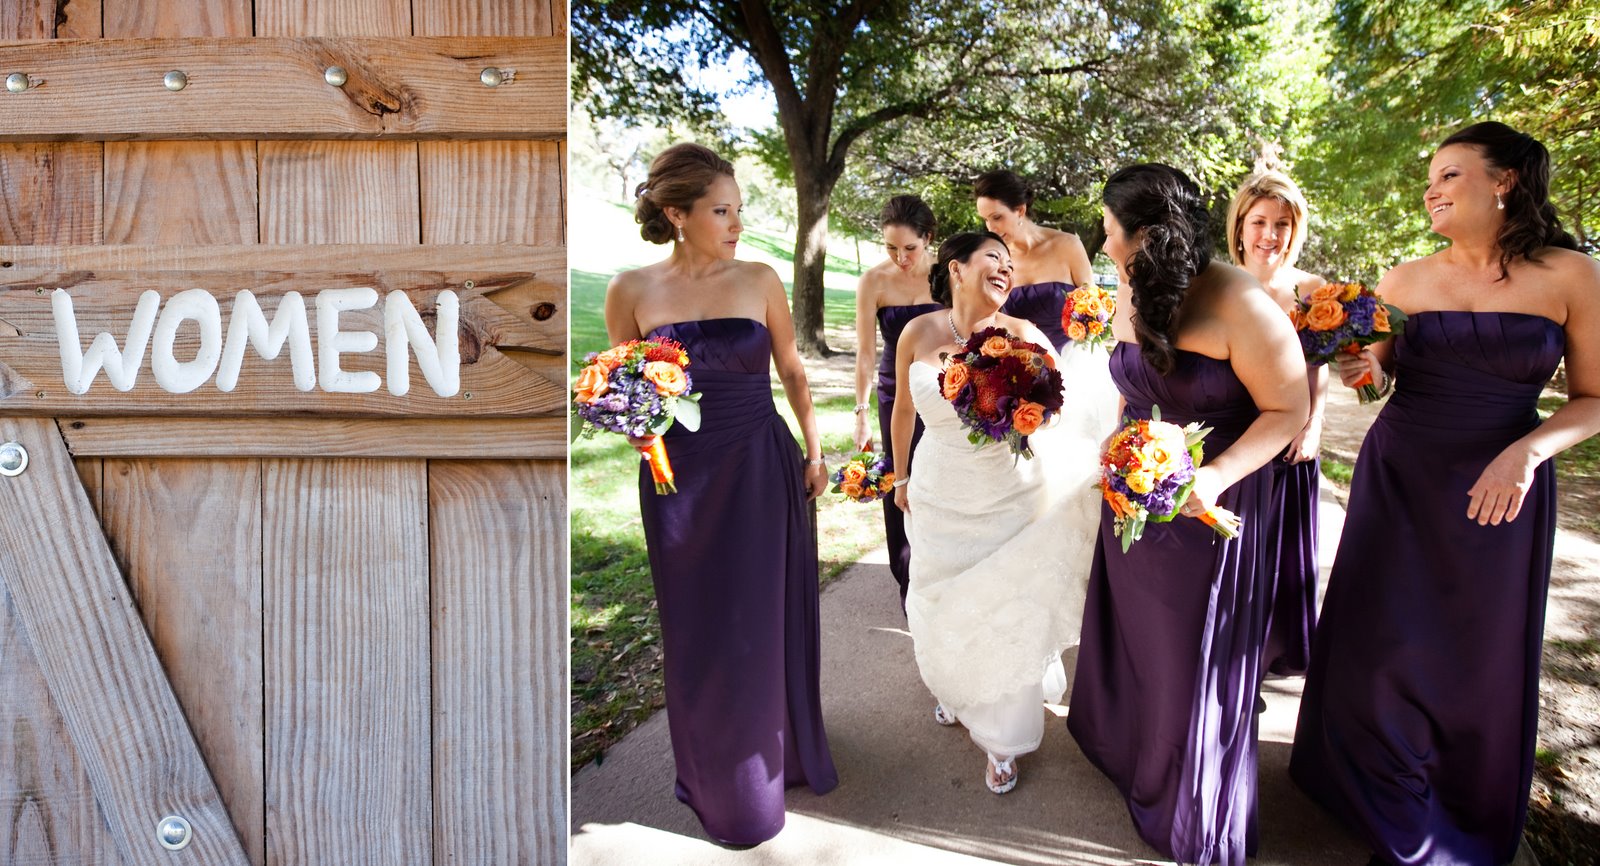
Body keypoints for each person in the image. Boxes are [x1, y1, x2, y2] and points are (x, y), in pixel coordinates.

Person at [1290, 122, 1600, 866]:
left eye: (1451, 174)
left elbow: (1593, 397)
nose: (1432, 189)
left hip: (1502, 488)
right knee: (1383, 633)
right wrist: (1361, 366)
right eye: (1430, 177)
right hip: (1401, 475)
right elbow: (1377, 376)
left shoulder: (1571, 275)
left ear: (1505, 182)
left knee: (1472, 645)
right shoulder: (1404, 279)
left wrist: (1527, 452)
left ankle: (1455, 791)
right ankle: (1373, 779)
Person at [1067, 164, 1308, 865]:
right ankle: (1137, 754)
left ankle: (1192, 800)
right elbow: (1131, 385)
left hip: (1212, 505)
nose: (1102, 240)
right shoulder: (1130, 287)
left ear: (1145, 235)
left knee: (1191, 652)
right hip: (1135, 499)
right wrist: (1115, 458)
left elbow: (1287, 409)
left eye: (1110, 229)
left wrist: (1215, 476)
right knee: (1142, 640)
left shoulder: (1242, 302)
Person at [603, 142, 838, 845]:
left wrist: (817, 451)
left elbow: (793, 371)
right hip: (678, 481)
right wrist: (634, 423)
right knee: (700, 627)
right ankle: (716, 778)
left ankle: (775, 761)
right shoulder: (631, 291)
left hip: (761, 468)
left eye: (739, 208)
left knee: (759, 617)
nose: (737, 222)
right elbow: (624, 393)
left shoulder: (760, 278)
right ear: (677, 214)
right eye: (722, 210)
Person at [890, 231, 1112, 795]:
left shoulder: (1025, 335)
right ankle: (957, 687)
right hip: (941, 490)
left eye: (1011, 264)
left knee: (1007, 606)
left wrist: (1025, 410)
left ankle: (1003, 741)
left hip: (1010, 494)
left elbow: (1059, 414)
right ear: (957, 268)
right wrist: (902, 476)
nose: (1006, 269)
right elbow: (901, 409)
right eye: (993, 257)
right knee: (940, 596)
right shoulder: (918, 331)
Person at [1225, 170, 1328, 676]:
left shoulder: (1311, 291)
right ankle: (1227, 653)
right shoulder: (1219, 285)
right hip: (1234, 438)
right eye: (1260, 221)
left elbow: (1319, 362)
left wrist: (1314, 424)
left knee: (1277, 559)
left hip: (1290, 444)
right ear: (1240, 226)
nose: (1270, 234)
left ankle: (1263, 657)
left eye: (1282, 224)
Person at [852, 195, 942, 605]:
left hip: (942, 389)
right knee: (900, 478)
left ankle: (941, 569)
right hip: (894, 388)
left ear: (927, 238)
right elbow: (866, 352)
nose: (901, 257)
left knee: (940, 477)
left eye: (909, 247)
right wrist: (860, 413)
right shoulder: (873, 280)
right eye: (891, 248)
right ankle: (907, 577)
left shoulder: (946, 276)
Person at [975, 170, 1096, 351]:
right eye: (985, 220)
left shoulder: (1068, 245)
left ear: (1020, 210)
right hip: (1022, 364)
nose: (991, 228)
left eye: (997, 217)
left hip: (1076, 356)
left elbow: (1094, 307)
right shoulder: (994, 260)